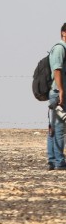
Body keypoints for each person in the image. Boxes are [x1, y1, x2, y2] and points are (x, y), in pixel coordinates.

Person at [47, 24, 66, 171]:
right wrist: (61, 91)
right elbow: (57, 70)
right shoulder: (60, 48)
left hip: (58, 92)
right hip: (58, 93)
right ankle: (59, 161)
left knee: (54, 127)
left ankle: (53, 161)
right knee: (59, 128)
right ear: (63, 33)